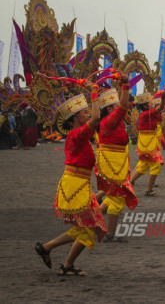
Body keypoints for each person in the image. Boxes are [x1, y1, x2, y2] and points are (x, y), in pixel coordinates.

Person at [35, 82, 107, 276]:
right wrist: (93, 94)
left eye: (86, 112)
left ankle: (55, 255)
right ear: (76, 117)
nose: (88, 115)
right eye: (85, 113)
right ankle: (59, 258)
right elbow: (97, 118)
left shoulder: (76, 135)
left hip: (76, 185)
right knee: (88, 228)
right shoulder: (78, 134)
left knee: (86, 228)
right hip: (76, 186)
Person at [95, 76, 138, 242]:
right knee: (117, 200)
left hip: (116, 162)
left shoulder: (112, 119)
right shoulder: (110, 120)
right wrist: (126, 86)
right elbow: (122, 107)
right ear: (109, 109)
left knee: (113, 197)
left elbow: (120, 106)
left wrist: (121, 85)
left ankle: (93, 221)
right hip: (112, 163)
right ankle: (110, 233)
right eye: (114, 104)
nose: (119, 105)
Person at [130, 91, 165, 196]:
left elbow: (160, 113)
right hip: (148, 143)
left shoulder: (148, 114)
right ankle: (149, 189)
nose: (151, 104)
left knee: (143, 165)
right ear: (145, 105)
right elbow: (160, 109)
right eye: (149, 103)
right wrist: (163, 99)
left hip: (147, 141)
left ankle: (127, 184)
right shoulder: (146, 114)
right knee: (156, 165)